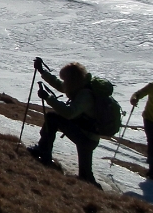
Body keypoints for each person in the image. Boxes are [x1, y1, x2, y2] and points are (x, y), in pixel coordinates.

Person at [27, 58, 102, 189]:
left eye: (66, 79)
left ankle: (43, 151)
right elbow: (60, 86)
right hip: (89, 135)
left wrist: (48, 98)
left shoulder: (85, 95)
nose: (64, 82)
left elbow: (69, 113)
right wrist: (42, 71)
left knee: (52, 117)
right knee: (86, 175)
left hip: (85, 136)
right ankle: (93, 189)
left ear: (72, 79)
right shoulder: (81, 85)